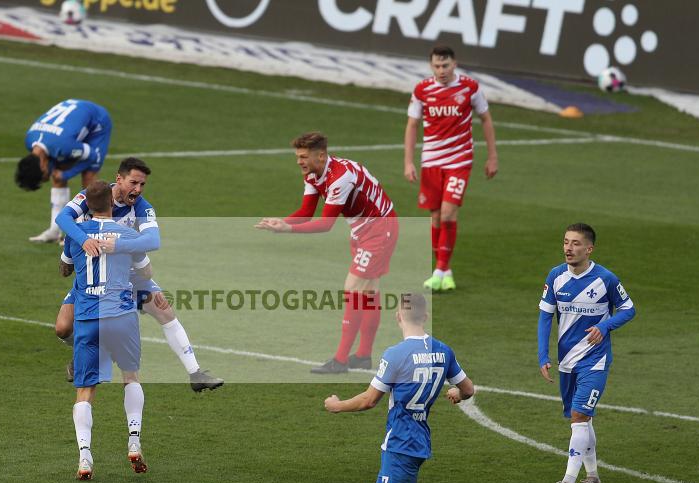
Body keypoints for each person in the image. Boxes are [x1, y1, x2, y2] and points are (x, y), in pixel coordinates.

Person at [324, 292, 478, 483]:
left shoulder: (395, 355)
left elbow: (369, 400)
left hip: (401, 443)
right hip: (417, 436)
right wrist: (456, 396)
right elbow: (467, 389)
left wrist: (337, 405)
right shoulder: (443, 351)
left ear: (398, 316)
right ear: (425, 316)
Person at [56, 157, 223, 392]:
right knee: (63, 328)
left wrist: (119, 245)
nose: (138, 189)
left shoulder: (142, 207)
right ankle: (87, 352)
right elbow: (62, 218)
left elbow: (153, 240)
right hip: (93, 276)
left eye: (142, 184)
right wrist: (84, 241)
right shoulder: (93, 196)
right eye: (133, 182)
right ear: (119, 179)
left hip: (129, 273)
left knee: (164, 310)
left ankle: (196, 373)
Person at [256, 132, 398, 374]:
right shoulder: (313, 174)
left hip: (378, 229)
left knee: (353, 288)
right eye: (297, 156)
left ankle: (340, 360)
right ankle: (363, 356)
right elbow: (306, 212)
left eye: (303, 156)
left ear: (320, 156)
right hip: (362, 229)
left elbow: (325, 224)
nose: (299, 161)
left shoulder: (340, 178)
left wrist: (287, 230)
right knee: (369, 292)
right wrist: (281, 221)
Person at [64, 180, 160, 480]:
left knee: (85, 389)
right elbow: (146, 271)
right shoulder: (126, 234)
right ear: (111, 201)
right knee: (130, 375)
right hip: (121, 315)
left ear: (86, 205)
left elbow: (64, 268)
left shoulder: (75, 236)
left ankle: (85, 457)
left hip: (88, 318)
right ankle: (134, 441)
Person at [538, 223, 635, 483]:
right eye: (566, 242)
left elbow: (629, 308)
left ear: (589, 249)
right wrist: (543, 355)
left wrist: (605, 327)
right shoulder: (556, 277)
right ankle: (592, 478)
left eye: (576, 243)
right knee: (580, 419)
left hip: (595, 360)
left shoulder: (605, 279)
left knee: (580, 416)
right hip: (567, 361)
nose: (569, 248)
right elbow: (545, 317)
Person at [403, 46, 498, 292]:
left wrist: (492, 156)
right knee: (435, 216)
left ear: (455, 63)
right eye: (436, 66)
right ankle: (445, 271)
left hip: (459, 160)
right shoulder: (422, 90)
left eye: (445, 65)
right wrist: (408, 161)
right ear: (430, 66)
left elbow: (485, 119)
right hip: (431, 161)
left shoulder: (470, 88)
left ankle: (438, 270)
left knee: (447, 214)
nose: (441, 70)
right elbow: (412, 125)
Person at [16, 99, 112, 243]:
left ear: (42, 165)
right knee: (56, 173)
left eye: (44, 177)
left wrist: (66, 174)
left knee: (89, 176)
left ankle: (89, 229)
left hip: (97, 122)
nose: (46, 179)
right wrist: (59, 174)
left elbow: (93, 156)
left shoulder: (63, 146)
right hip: (65, 130)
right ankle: (55, 231)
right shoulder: (30, 141)